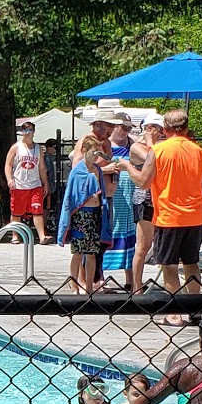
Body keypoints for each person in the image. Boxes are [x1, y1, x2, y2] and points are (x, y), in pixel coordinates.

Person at [115, 107, 202, 320]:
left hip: (169, 216)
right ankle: (195, 310)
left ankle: (174, 314)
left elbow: (143, 182)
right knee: (191, 263)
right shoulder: (199, 151)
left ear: (165, 129)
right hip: (194, 216)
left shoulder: (158, 151)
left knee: (169, 266)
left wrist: (127, 166)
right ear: (186, 128)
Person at [58, 133, 111, 294]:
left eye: (98, 153)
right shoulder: (77, 171)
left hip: (95, 215)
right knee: (78, 253)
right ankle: (74, 285)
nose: (96, 156)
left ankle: (89, 286)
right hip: (80, 215)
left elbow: (102, 193)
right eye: (94, 152)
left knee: (92, 253)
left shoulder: (98, 170)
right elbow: (71, 196)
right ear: (84, 151)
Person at [99, 113, 138, 289]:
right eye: (123, 127)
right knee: (106, 233)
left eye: (128, 128)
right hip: (110, 195)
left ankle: (131, 279)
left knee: (130, 236)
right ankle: (99, 277)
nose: (125, 131)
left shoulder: (133, 143)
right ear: (114, 126)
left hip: (129, 197)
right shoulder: (104, 145)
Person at [127, 122, 161, 292]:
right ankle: (136, 286)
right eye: (158, 128)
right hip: (145, 199)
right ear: (148, 129)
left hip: (160, 200)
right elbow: (152, 158)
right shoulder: (137, 147)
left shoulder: (158, 145)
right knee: (142, 246)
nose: (161, 132)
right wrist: (149, 141)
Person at [4, 120, 50, 243]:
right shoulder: (16, 147)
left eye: (30, 130)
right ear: (22, 132)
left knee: (37, 210)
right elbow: (8, 165)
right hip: (19, 184)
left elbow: (42, 168)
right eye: (25, 130)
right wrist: (9, 179)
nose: (28, 133)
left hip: (35, 184)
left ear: (34, 132)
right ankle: (15, 236)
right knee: (17, 212)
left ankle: (42, 236)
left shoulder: (38, 149)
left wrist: (45, 183)